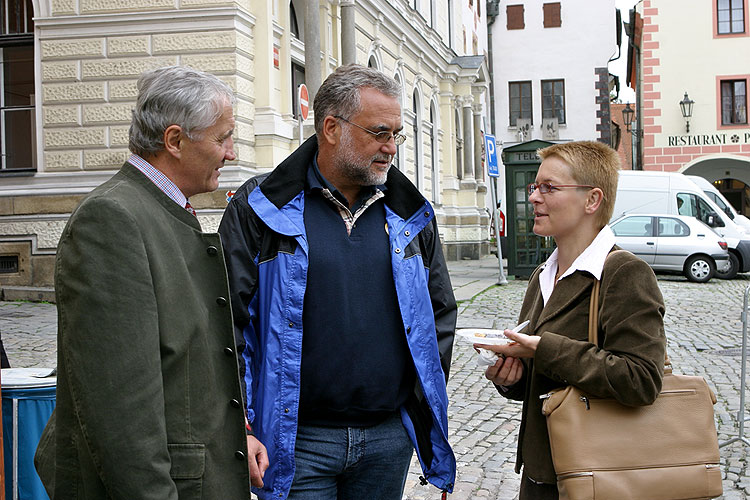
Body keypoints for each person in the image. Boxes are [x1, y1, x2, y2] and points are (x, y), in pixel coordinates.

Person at [218, 64, 457, 500]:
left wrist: (419, 403)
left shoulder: (410, 213)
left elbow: (439, 312)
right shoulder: (261, 208)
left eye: (397, 135)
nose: (392, 149)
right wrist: (244, 425)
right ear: (331, 127)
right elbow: (228, 324)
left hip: (388, 440)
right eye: (380, 133)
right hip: (297, 443)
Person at [34, 66, 264, 499]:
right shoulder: (113, 220)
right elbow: (120, 411)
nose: (231, 153)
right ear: (174, 141)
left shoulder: (159, 208)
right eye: (222, 138)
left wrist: (235, 439)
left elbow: (188, 367)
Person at [477, 141, 666, 499]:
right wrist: (511, 376)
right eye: (535, 187)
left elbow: (642, 380)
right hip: (542, 473)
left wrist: (544, 349)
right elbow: (543, 380)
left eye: (549, 187)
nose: (534, 197)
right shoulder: (542, 276)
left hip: (598, 475)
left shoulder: (624, 273)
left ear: (592, 200)